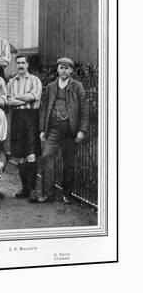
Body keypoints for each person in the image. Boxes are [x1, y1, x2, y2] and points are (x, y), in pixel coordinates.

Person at [38, 57, 89, 204]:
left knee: (69, 163)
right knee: (47, 157)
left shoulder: (77, 87)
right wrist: (42, 129)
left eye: (67, 68)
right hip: (53, 130)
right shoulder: (51, 87)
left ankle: (67, 194)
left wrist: (82, 131)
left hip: (70, 131)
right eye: (61, 67)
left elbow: (84, 111)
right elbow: (43, 109)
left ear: (71, 70)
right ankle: (48, 194)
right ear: (57, 69)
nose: (64, 70)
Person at [7, 54, 42, 203]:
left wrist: (18, 98)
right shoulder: (11, 82)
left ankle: (33, 189)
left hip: (31, 117)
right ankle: (25, 188)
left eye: (23, 62)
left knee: (31, 154)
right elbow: (9, 100)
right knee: (20, 155)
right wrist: (24, 97)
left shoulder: (35, 80)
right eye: (18, 63)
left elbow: (34, 97)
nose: (21, 65)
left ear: (27, 64)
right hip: (17, 118)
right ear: (15, 64)